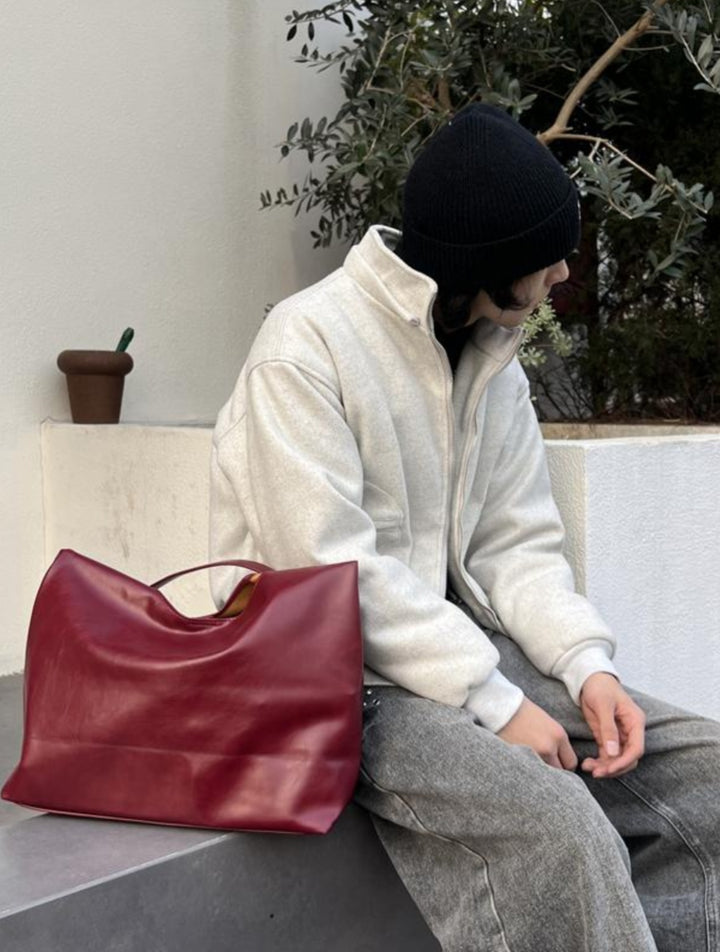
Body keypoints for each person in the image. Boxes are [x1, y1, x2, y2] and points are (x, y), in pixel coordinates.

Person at [209, 103, 720, 951]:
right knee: (562, 832)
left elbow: (514, 544)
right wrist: (495, 703)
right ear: (481, 263)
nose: (561, 271)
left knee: (707, 775)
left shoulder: (488, 355)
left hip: (460, 647)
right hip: (336, 681)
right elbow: (331, 576)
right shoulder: (304, 349)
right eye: (545, 257)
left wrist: (585, 667)